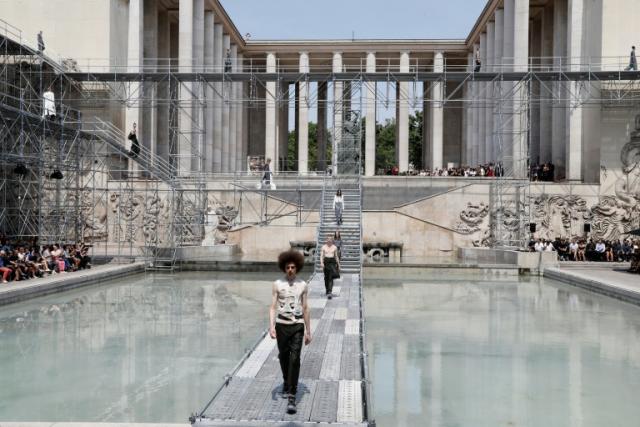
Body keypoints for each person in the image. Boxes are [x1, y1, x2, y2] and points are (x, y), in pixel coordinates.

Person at [269, 250, 311, 415]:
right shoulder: (277, 284)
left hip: (297, 324)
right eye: (288, 267)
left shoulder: (303, 285)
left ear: (297, 268)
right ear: (284, 268)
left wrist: (309, 330)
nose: (291, 270)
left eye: (293, 267)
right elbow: (272, 307)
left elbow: (306, 308)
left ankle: (292, 396)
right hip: (282, 325)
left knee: (295, 359)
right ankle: (287, 381)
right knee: (283, 356)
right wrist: (271, 326)